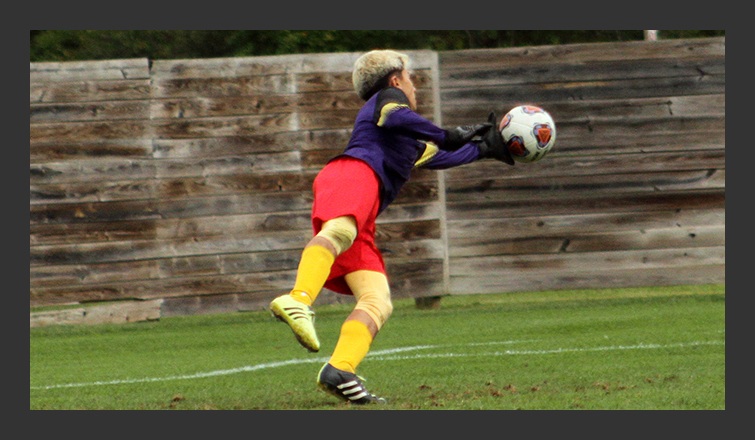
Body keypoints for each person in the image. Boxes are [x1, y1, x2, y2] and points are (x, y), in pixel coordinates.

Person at [269, 49, 514, 404]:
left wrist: (487, 147)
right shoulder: (389, 99)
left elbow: (442, 154)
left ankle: (340, 370)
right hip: (352, 173)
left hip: (362, 200)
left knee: (377, 299)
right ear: (396, 79)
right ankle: (298, 299)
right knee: (339, 232)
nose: (413, 88)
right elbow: (397, 116)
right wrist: (449, 134)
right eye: (411, 79)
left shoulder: (407, 139)